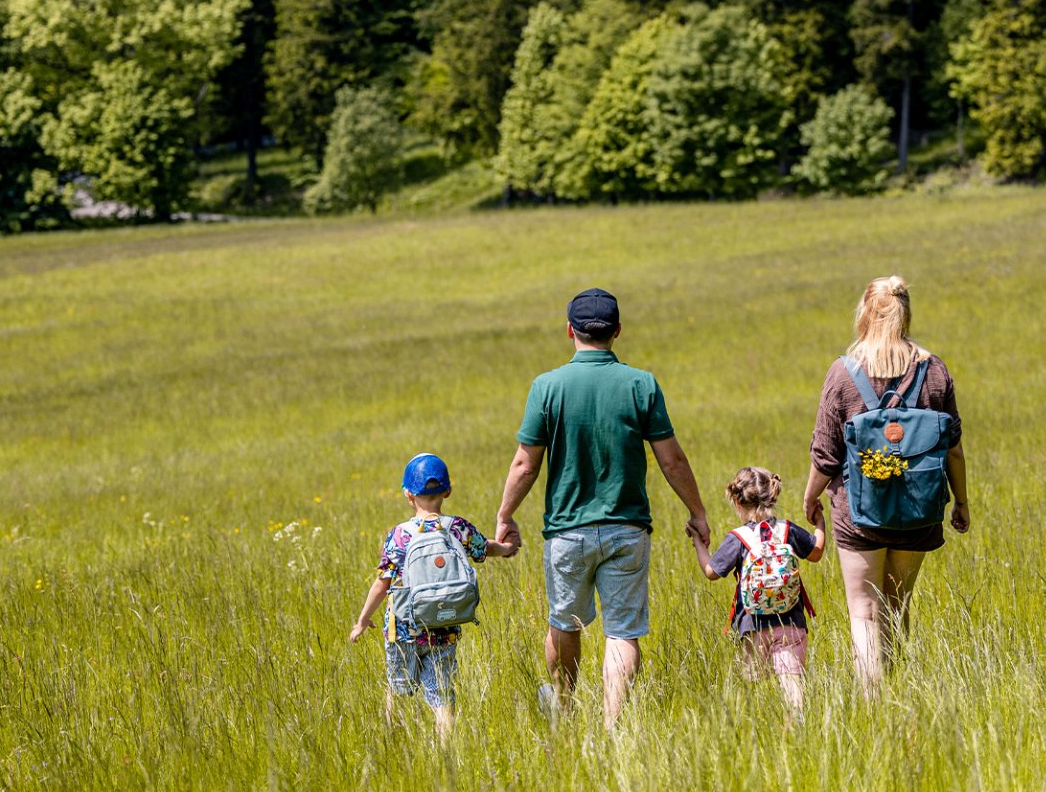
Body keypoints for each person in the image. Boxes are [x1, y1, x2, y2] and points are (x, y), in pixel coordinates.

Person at [496, 288, 710, 729]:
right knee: (622, 631)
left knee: (564, 623)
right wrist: (697, 511)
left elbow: (524, 463)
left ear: (570, 331)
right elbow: (672, 458)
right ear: (617, 331)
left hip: (566, 532)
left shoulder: (547, 386)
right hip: (627, 529)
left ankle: (567, 709)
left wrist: (505, 515)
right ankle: (612, 727)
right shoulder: (640, 384)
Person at [802, 276, 970, 695]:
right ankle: (898, 692)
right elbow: (953, 449)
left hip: (858, 514)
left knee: (863, 612)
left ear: (864, 314)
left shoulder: (844, 373)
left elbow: (825, 455)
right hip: (919, 510)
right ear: (905, 313)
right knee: (898, 606)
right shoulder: (934, 371)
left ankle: (873, 704)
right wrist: (961, 502)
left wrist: (809, 497)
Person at [349, 453, 515, 737]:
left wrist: (363, 619)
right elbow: (484, 548)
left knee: (398, 691)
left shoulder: (399, 535)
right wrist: (506, 548)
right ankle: (445, 755)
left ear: (407, 494)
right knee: (442, 697)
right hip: (443, 623)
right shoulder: (457, 527)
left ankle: (394, 746)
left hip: (401, 628)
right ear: (447, 491)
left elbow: (383, 582)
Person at [691, 467, 825, 715]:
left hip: (752, 625)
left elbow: (711, 572)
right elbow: (816, 552)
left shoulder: (738, 538)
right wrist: (820, 524)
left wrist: (698, 543)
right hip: (791, 622)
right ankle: (797, 724)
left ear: (738, 501)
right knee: (792, 682)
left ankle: (759, 728)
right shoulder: (787, 530)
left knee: (754, 685)